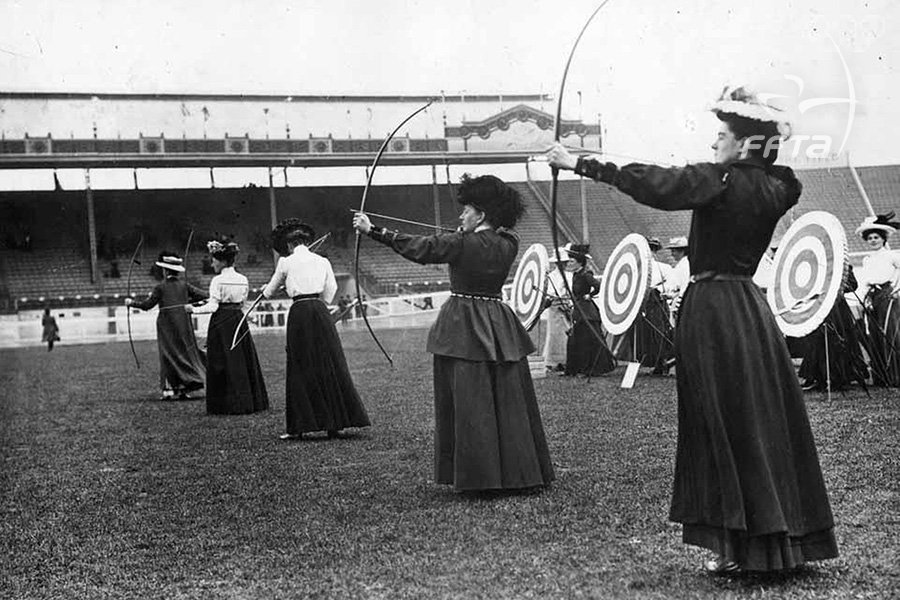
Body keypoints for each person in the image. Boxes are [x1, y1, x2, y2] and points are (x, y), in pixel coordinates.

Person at [548, 85, 838, 574]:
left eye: (721, 136)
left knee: (721, 422)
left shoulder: (719, 180)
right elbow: (757, 173)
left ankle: (742, 547)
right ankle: (778, 541)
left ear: (742, 143)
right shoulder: (779, 186)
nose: (713, 145)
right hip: (749, 308)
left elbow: (658, 183)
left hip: (712, 309)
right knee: (759, 419)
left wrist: (578, 161)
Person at [353, 174, 554, 492]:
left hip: (464, 322)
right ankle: (520, 473)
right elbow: (461, 242)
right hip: (498, 319)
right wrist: (463, 233)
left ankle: (480, 478)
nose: (461, 216)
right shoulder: (509, 243)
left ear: (482, 214)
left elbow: (422, 248)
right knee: (506, 397)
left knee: (470, 399)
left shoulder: (461, 242)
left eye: (467, 210)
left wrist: (372, 230)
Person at [262, 218, 370, 440]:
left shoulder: (285, 262)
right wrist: (316, 297)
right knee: (328, 361)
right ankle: (335, 424)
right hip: (320, 311)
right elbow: (331, 288)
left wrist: (282, 288)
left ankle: (299, 427)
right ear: (306, 242)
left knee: (300, 364)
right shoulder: (322, 261)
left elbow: (269, 292)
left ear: (290, 245)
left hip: (300, 312)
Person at [189, 239, 269, 415]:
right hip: (237, 320)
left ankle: (225, 405)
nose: (212, 263)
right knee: (240, 359)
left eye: (214, 260)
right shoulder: (243, 279)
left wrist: (192, 309)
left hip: (221, 322)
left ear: (223, 261)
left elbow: (213, 307)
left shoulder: (217, 280)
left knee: (221, 361)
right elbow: (242, 303)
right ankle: (248, 401)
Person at [126, 252, 207, 400]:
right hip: (184, 325)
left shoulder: (160, 287)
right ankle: (184, 389)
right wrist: (190, 300)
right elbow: (205, 295)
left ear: (165, 271)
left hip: (166, 327)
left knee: (168, 354)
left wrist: (131, 303)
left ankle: (169, 390)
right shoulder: (184, 285)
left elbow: (147, 305)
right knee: (183, 352)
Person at [797, 265, 869, 392]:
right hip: (819, 307)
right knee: (817, 340)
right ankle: (817, 377)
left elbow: (853, 285)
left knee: (839, 339)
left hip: (838, 310)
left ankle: (840, 378)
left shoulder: (842, 264)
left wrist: (837, 287)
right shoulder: (815, 264)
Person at [854, 212, 900, 387]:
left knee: (890, 333)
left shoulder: (891, 255)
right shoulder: (867, 260)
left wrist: (896, 289)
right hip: (872, 298)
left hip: (888, 296)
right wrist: (862, 299)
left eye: (876, 237)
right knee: (874, 333)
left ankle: (895, 376)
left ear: (883, 239)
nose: (873, 240)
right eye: (870, 238)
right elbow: (865, 281)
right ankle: (881, 377)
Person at [563, 244, 617, 377]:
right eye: (569, 261)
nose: (569, 263)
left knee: (587, 341)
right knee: (576, 339)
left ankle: (590, 369)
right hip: (579, 309)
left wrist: (590, 295)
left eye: (572, 261)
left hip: (587, 312)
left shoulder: (586, 274)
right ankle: (575, 369)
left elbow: (599, 286)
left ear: (580, 262)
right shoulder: (576, 275)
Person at [543, 247, 572, 372]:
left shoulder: (570, 275)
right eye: (561, 263)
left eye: (565, 263)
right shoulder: (550, 277)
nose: (563, 265)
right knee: (555, 334)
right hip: (555, 307)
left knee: (568, 333)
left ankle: (567, 360)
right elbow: (548, 292)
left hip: (567, 307)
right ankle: (554, 361)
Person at [664, 236, 691, 326]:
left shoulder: (685, 265)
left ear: (682, 251)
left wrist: (677, 307)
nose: (672, 254)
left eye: (674, 251)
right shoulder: (680, 265)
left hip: (679, 306)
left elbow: (685, 287)